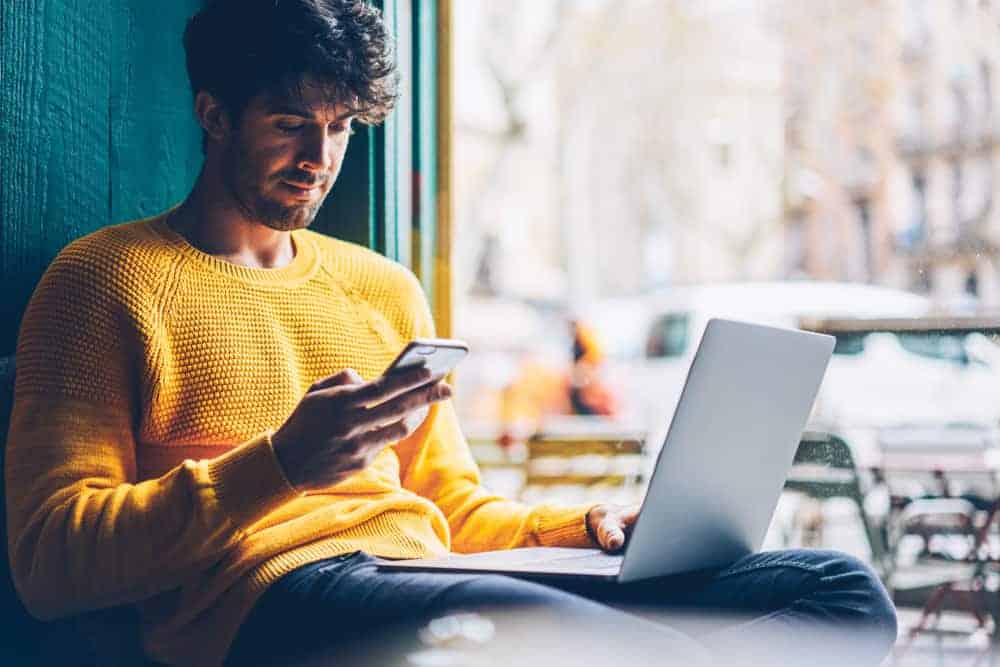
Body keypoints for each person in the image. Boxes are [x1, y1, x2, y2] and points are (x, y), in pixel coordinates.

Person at [4, 1, 897, 665]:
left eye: (341, 128)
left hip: (416, 572)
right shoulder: (105, 281)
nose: (318, 159)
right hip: (275, 601)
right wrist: (278, 465)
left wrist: (581, 527)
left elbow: (455, 511)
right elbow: (50, 564)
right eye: (289, 126)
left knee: (840, 593)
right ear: (213, 114)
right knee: (588, 641)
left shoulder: (380, 288)